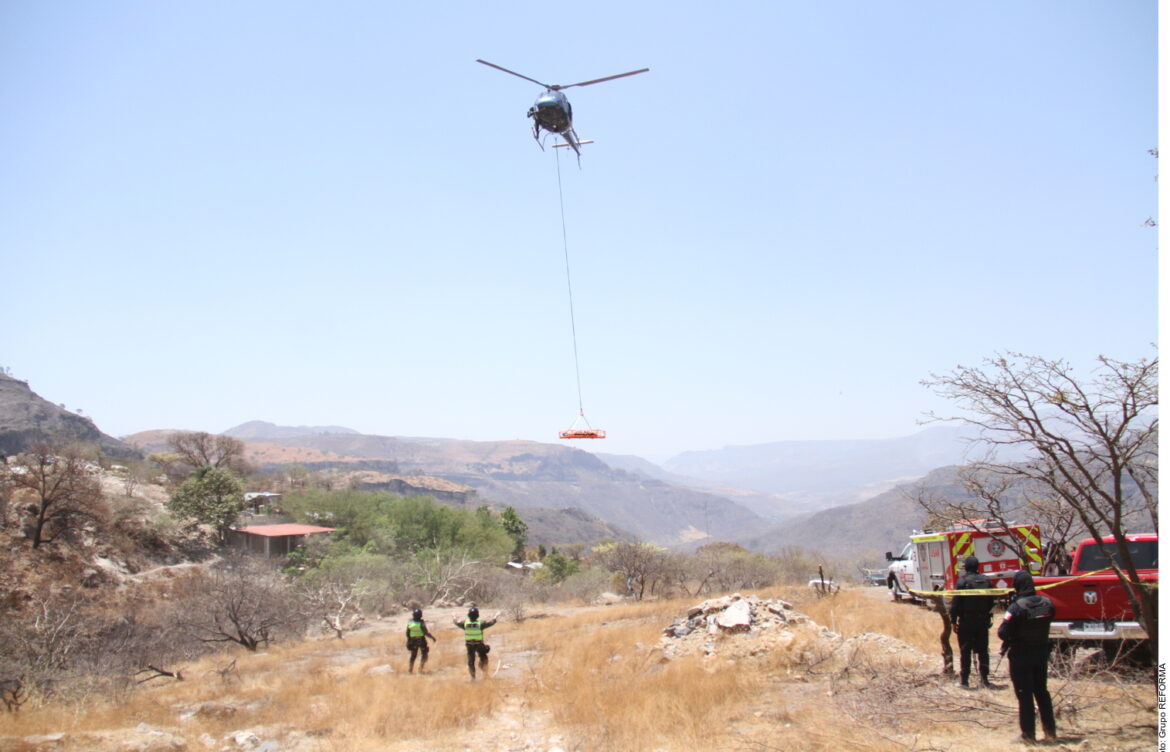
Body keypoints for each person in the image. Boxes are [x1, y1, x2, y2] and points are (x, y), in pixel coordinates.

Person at [997, 569, 1057, 744]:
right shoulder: (1047, 603)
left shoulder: (1017, 607)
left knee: (1024, 695)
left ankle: (1028, 735)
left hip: (1021, 655)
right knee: (1042, 692)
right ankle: (1050, 731)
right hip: (1041, 653)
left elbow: (1003, 632)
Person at [948, 556, 995, 688]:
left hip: (966, 622)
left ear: (966, 567)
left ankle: (964, 680)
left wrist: (953, 620)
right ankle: (985, 680)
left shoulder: (962, 582)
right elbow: (992, 601)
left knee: (965, 651)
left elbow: (956, 603)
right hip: (982, 621)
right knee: (983, 651)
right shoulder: (987, 581)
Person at [452, 606, 498, 679]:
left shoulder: (465, 623)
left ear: (469, 615)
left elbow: (456, 623)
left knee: (471, 662)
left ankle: (473, 678)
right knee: (484, 658)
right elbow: (491, 623)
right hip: (479, 644)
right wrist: (495, 616)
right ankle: (485, 674)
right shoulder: (480, 623)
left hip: (469, 645)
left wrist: (454, 616)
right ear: (477, 615)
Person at [405, 607, 437, 674]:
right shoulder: (421, 623)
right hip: (421, 640)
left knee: (413, 656)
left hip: (413, 640)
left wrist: (408, 641)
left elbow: (407, 633)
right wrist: (432, 637)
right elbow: (426, 632)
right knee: (424, 654)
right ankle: (420, 669)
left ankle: (410, 670)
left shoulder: (410, 623)